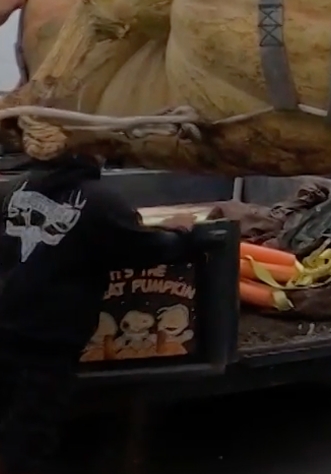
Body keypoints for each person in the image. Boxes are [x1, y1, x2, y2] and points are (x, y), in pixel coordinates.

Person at [0, 147, 195, 473]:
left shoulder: (12, 191)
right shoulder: (101, 201)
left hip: (7, 323)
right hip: (48, 340)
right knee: (29, 437)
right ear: (93, 151)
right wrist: (184, 233)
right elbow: (147, 248)